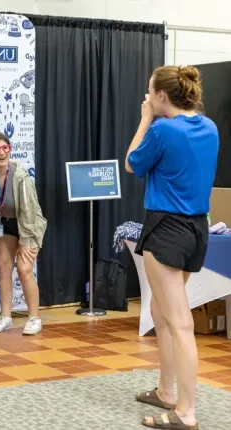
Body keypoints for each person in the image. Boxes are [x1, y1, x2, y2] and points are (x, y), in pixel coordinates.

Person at [126, 65, 218, 430]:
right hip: (197, 230)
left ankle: (186, 412)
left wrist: (146, 118)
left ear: (162, 96)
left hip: (167, 228)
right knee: (161, 313)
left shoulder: (162, 127)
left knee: (179, 324)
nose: (148, 98)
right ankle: (166, 391)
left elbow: (133, 163)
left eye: (151, 93)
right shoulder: (208, 126)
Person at [0, 133, 47, 336]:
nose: (2, 152)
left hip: (27, 226)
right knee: (3, 268)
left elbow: (29, 211)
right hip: (4, 225)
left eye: (5, 148)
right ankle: (6, 316)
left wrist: (26, 240)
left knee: (24, 269)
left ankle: (34, 317)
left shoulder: (20, 175)